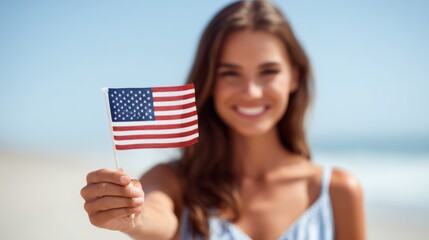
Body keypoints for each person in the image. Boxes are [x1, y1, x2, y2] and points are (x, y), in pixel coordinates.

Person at [81, 0, 366, 239]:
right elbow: (156, 214)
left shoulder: (337, 192)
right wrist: (133, 216)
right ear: (209, 81)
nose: (251, 92)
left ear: (295, 76)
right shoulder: (173, 180)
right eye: (230, 73)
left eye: (268, 72)